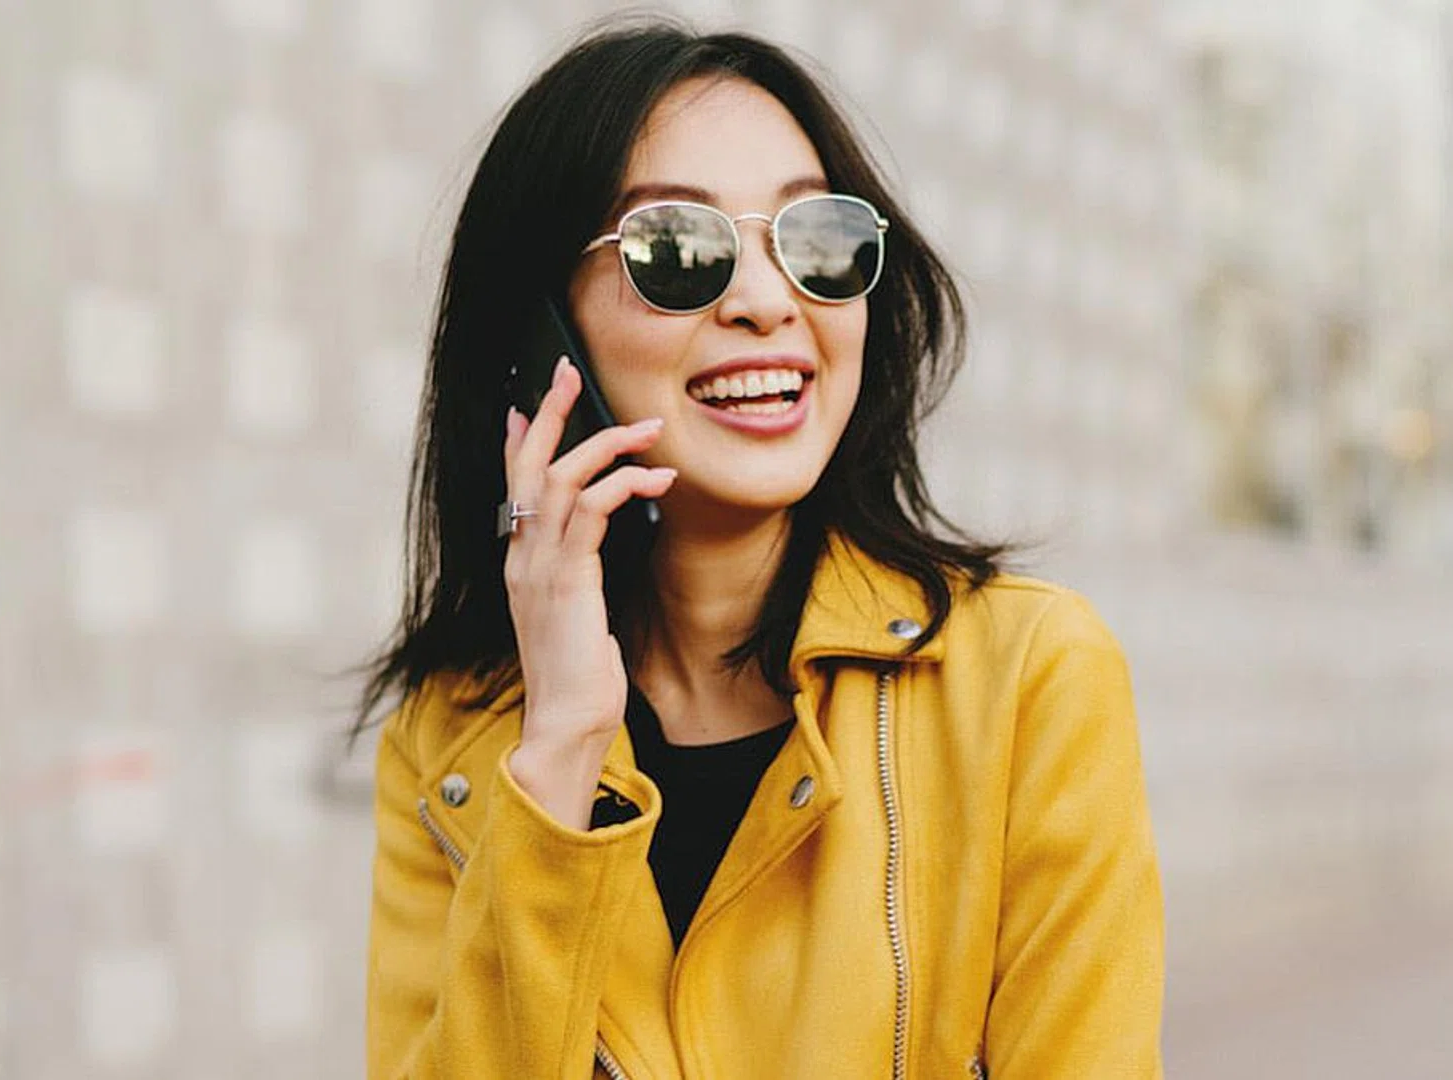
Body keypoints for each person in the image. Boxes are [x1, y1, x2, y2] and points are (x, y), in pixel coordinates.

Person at [356, 20, 1164, 1079]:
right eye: (678, 250)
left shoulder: (1028, 681)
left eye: (816, 240)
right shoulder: (454, 744)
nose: (768, 302)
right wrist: (558, 750)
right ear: (543, 335)